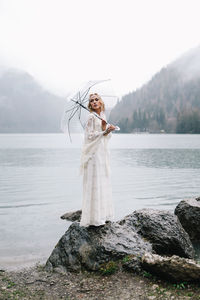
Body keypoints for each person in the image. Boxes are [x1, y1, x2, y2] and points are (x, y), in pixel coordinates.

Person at [79, 93, 116, 227]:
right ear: (90, 105)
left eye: (96, 99)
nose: (94, 102)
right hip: (93, 155)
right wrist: (103, 132)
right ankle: (93, 218)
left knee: (102, 181)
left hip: (101, 153)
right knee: (94, 182)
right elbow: (89, 136)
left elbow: (105, 136)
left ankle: (103, 214)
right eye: (91, 101)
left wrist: (108, 129)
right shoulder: (91, 117)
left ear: (101, 102)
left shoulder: (102, 116)